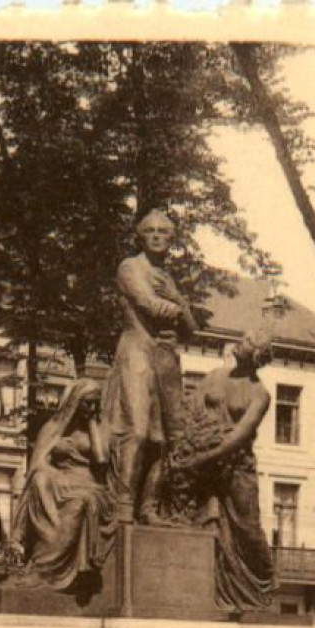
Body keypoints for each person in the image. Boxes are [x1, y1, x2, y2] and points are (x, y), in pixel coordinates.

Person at [102, 209, 197, 523]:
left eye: (164, 232)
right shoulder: (130, 267)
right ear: (140, 236)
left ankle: (149, 506)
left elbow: (192, 328)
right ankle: (123, 504)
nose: (157, 236)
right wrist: (178, 306)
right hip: (136, 353)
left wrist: (176, 302)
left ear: (171, 240)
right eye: (151, 231)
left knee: (163, 439)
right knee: (138, 431)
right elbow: (148, 304)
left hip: (165, 360)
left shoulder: (168, 279)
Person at [175, 329, 277, 613]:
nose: (239, 344)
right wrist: (190, 446)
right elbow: (189, 411)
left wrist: (202, 457)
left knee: (247, 528)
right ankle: (214, 591)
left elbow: (238, 438)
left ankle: (262, 584)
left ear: (257, 355)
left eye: (246, 342)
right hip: (205, 462)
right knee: (202, 522)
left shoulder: (260, 395)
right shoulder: (215, 376)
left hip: (236, 467)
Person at [11, 379, 119, 592]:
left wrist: (91, 424)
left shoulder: (100, 428)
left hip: (90, 486)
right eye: (88, 403)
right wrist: (53, 477)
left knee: (80, 503)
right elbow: (38, 464)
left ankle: (46, 570)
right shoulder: (53, 428)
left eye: (96, 403)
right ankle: (37, 561)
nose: (93, 407)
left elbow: (101, 459)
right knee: (39, 480)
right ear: (75, 402)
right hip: (57, 482)